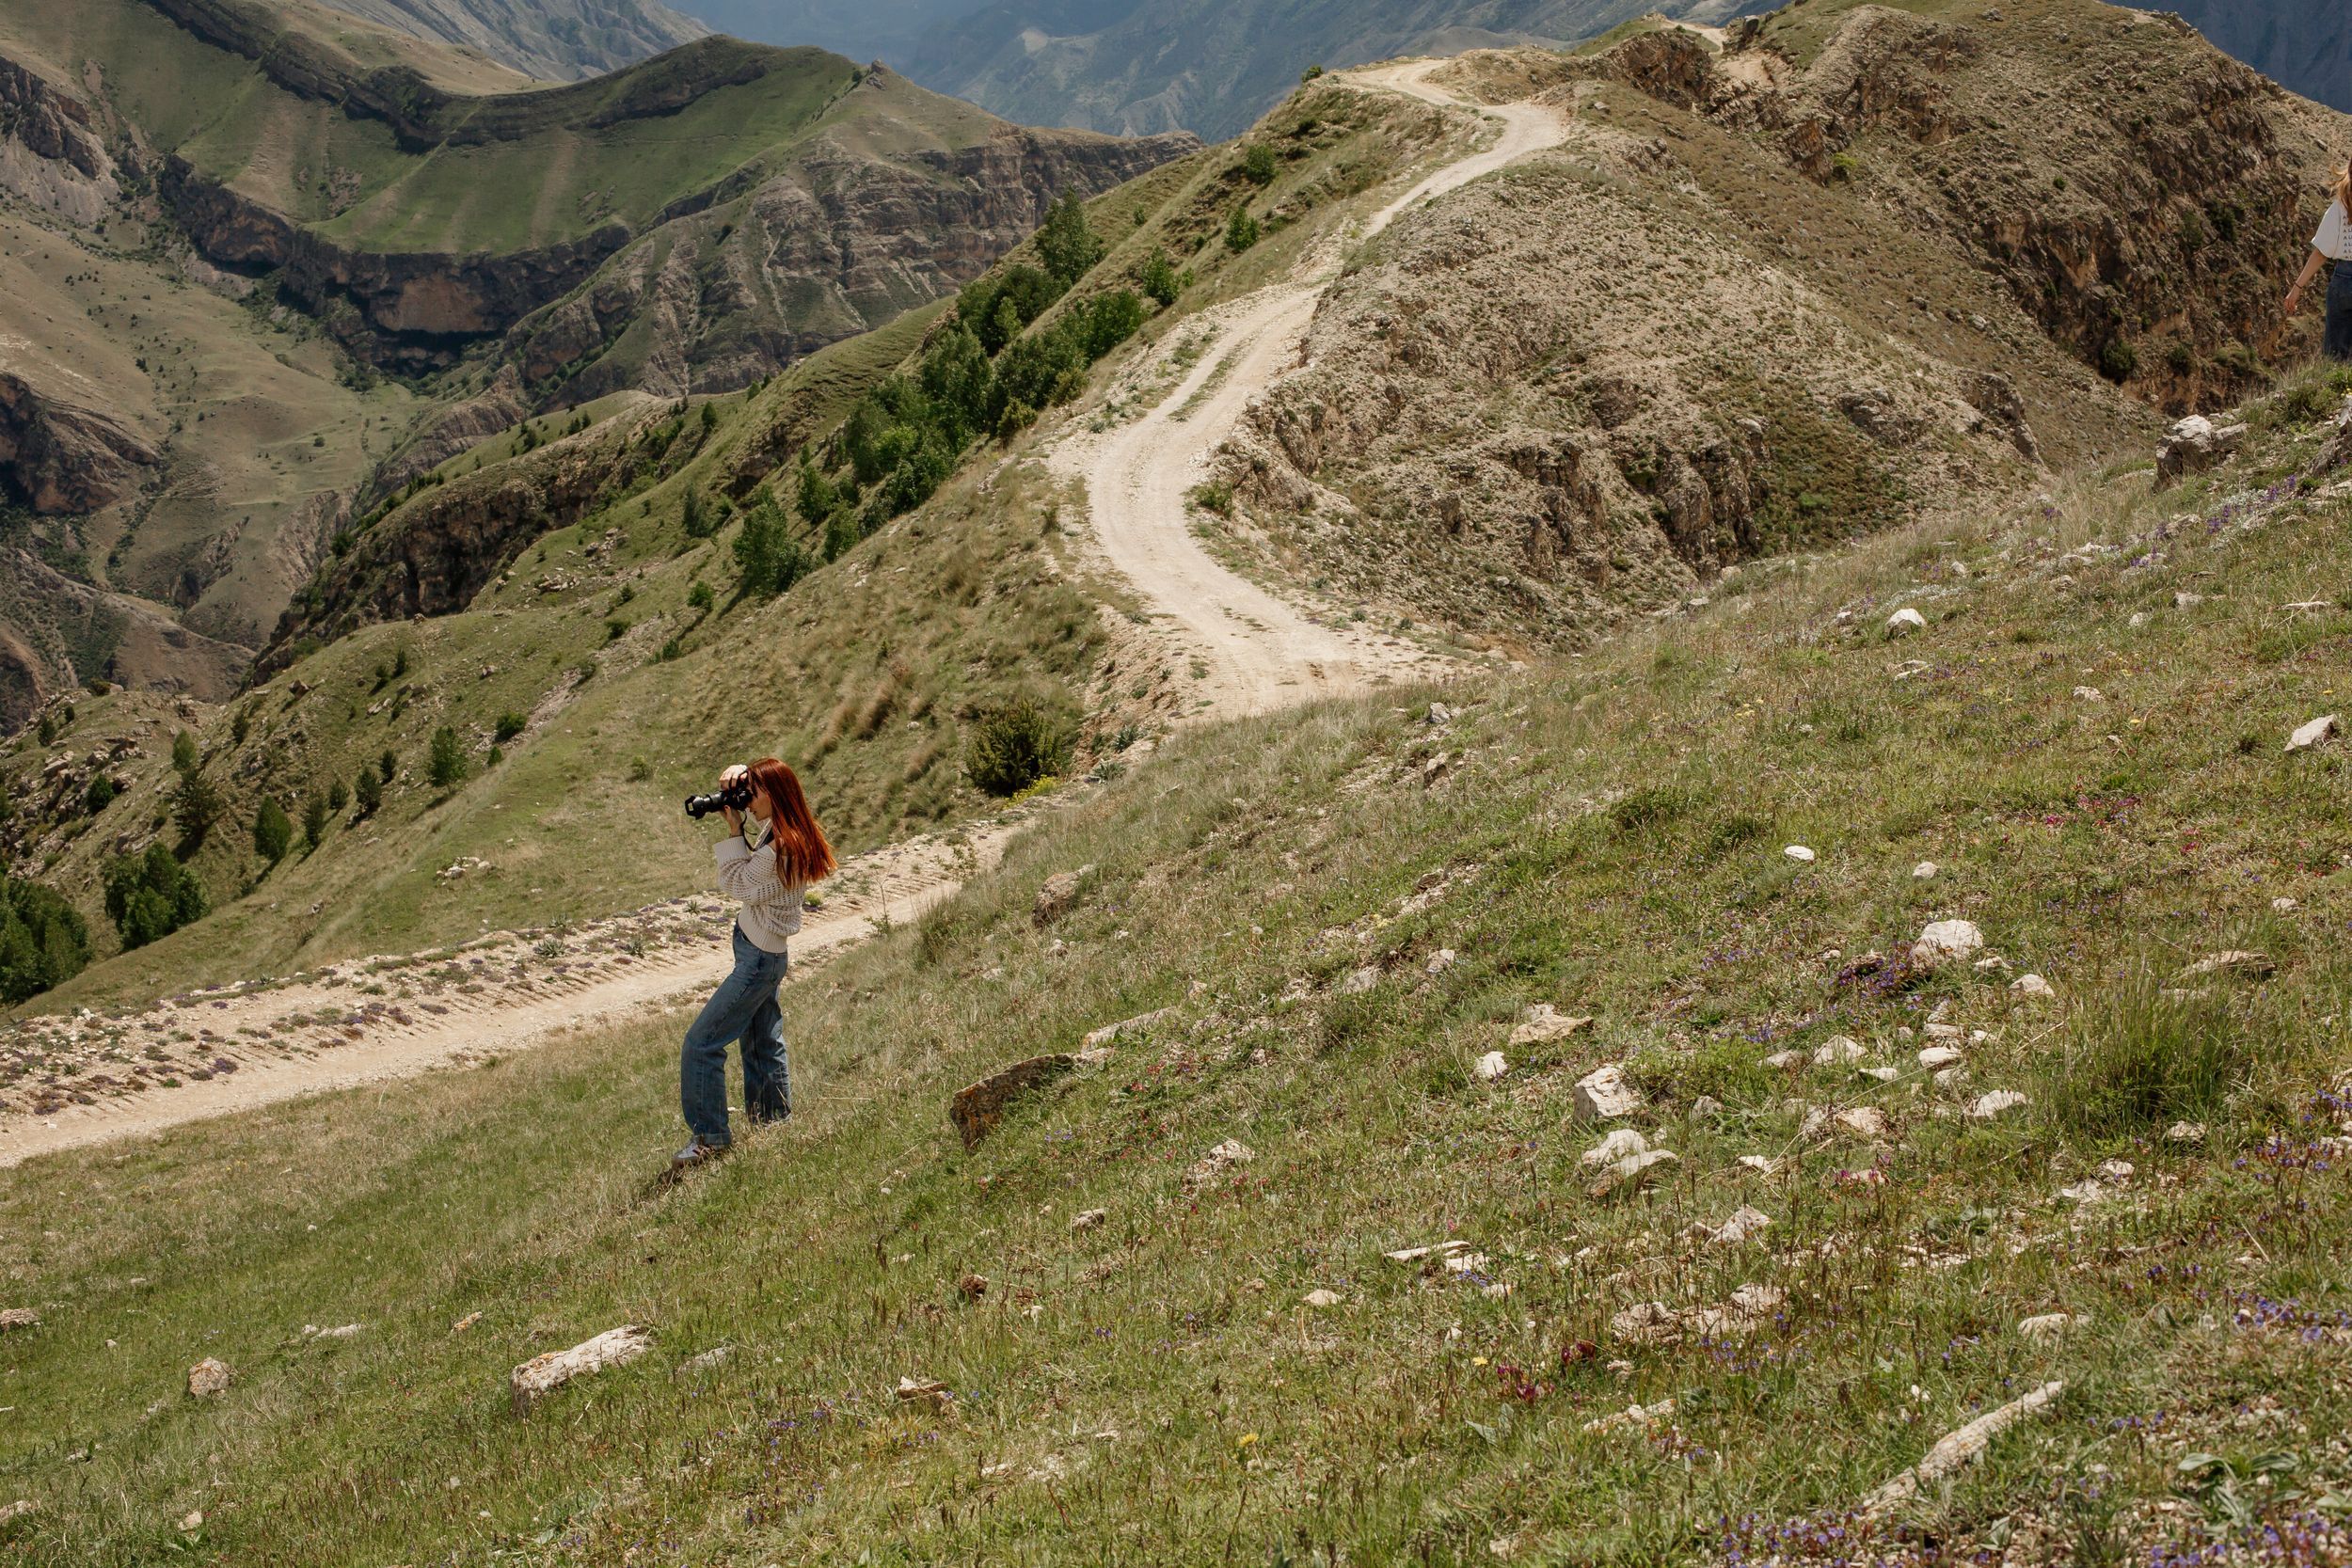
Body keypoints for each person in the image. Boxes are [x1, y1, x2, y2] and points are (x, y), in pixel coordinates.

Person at [674, 756, 836, 1170]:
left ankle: (710, 1138)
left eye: (753, 793)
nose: (747, 801)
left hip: (758, 960)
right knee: (762, 1042)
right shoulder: (782, 828)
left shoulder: (782, 845)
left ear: (775, 794)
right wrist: (739, 770)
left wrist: (733, 831)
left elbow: (737, 883)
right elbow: (764, 778)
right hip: (764, 953)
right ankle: (774, 1123)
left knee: (701, 1043)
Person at [2284, 155, 2352, 361]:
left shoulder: (2340, 207)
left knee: (2335, 356)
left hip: (2343, 281)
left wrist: (2297, 288)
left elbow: (2321, 252)